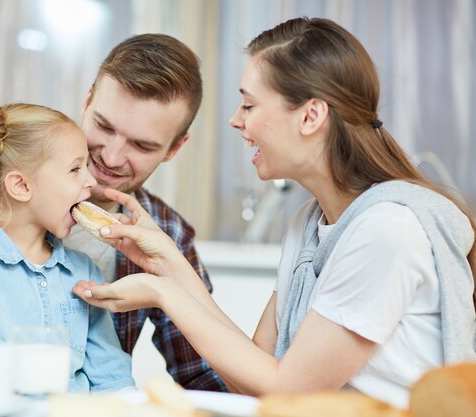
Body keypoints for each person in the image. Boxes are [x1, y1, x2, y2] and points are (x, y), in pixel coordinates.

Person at [73, 17, 476, 408]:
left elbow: (287, 390)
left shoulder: (388, 230)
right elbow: (254, 373)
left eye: (248, 105)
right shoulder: (307, 225)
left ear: (310, 116)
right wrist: (168, 263)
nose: (235, 120)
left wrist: (161, 291)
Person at [0, 34, 226, 391]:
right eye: (103, 126)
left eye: (142, 145)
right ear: (87, 100)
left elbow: (204, 376)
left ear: (175, 148)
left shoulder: (166, 237)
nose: (109, 158)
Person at [0, 103, 134, 392]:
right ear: (21, 186)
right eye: (75, 169)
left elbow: (113, 380)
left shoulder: (85, 271)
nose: (91, 182)